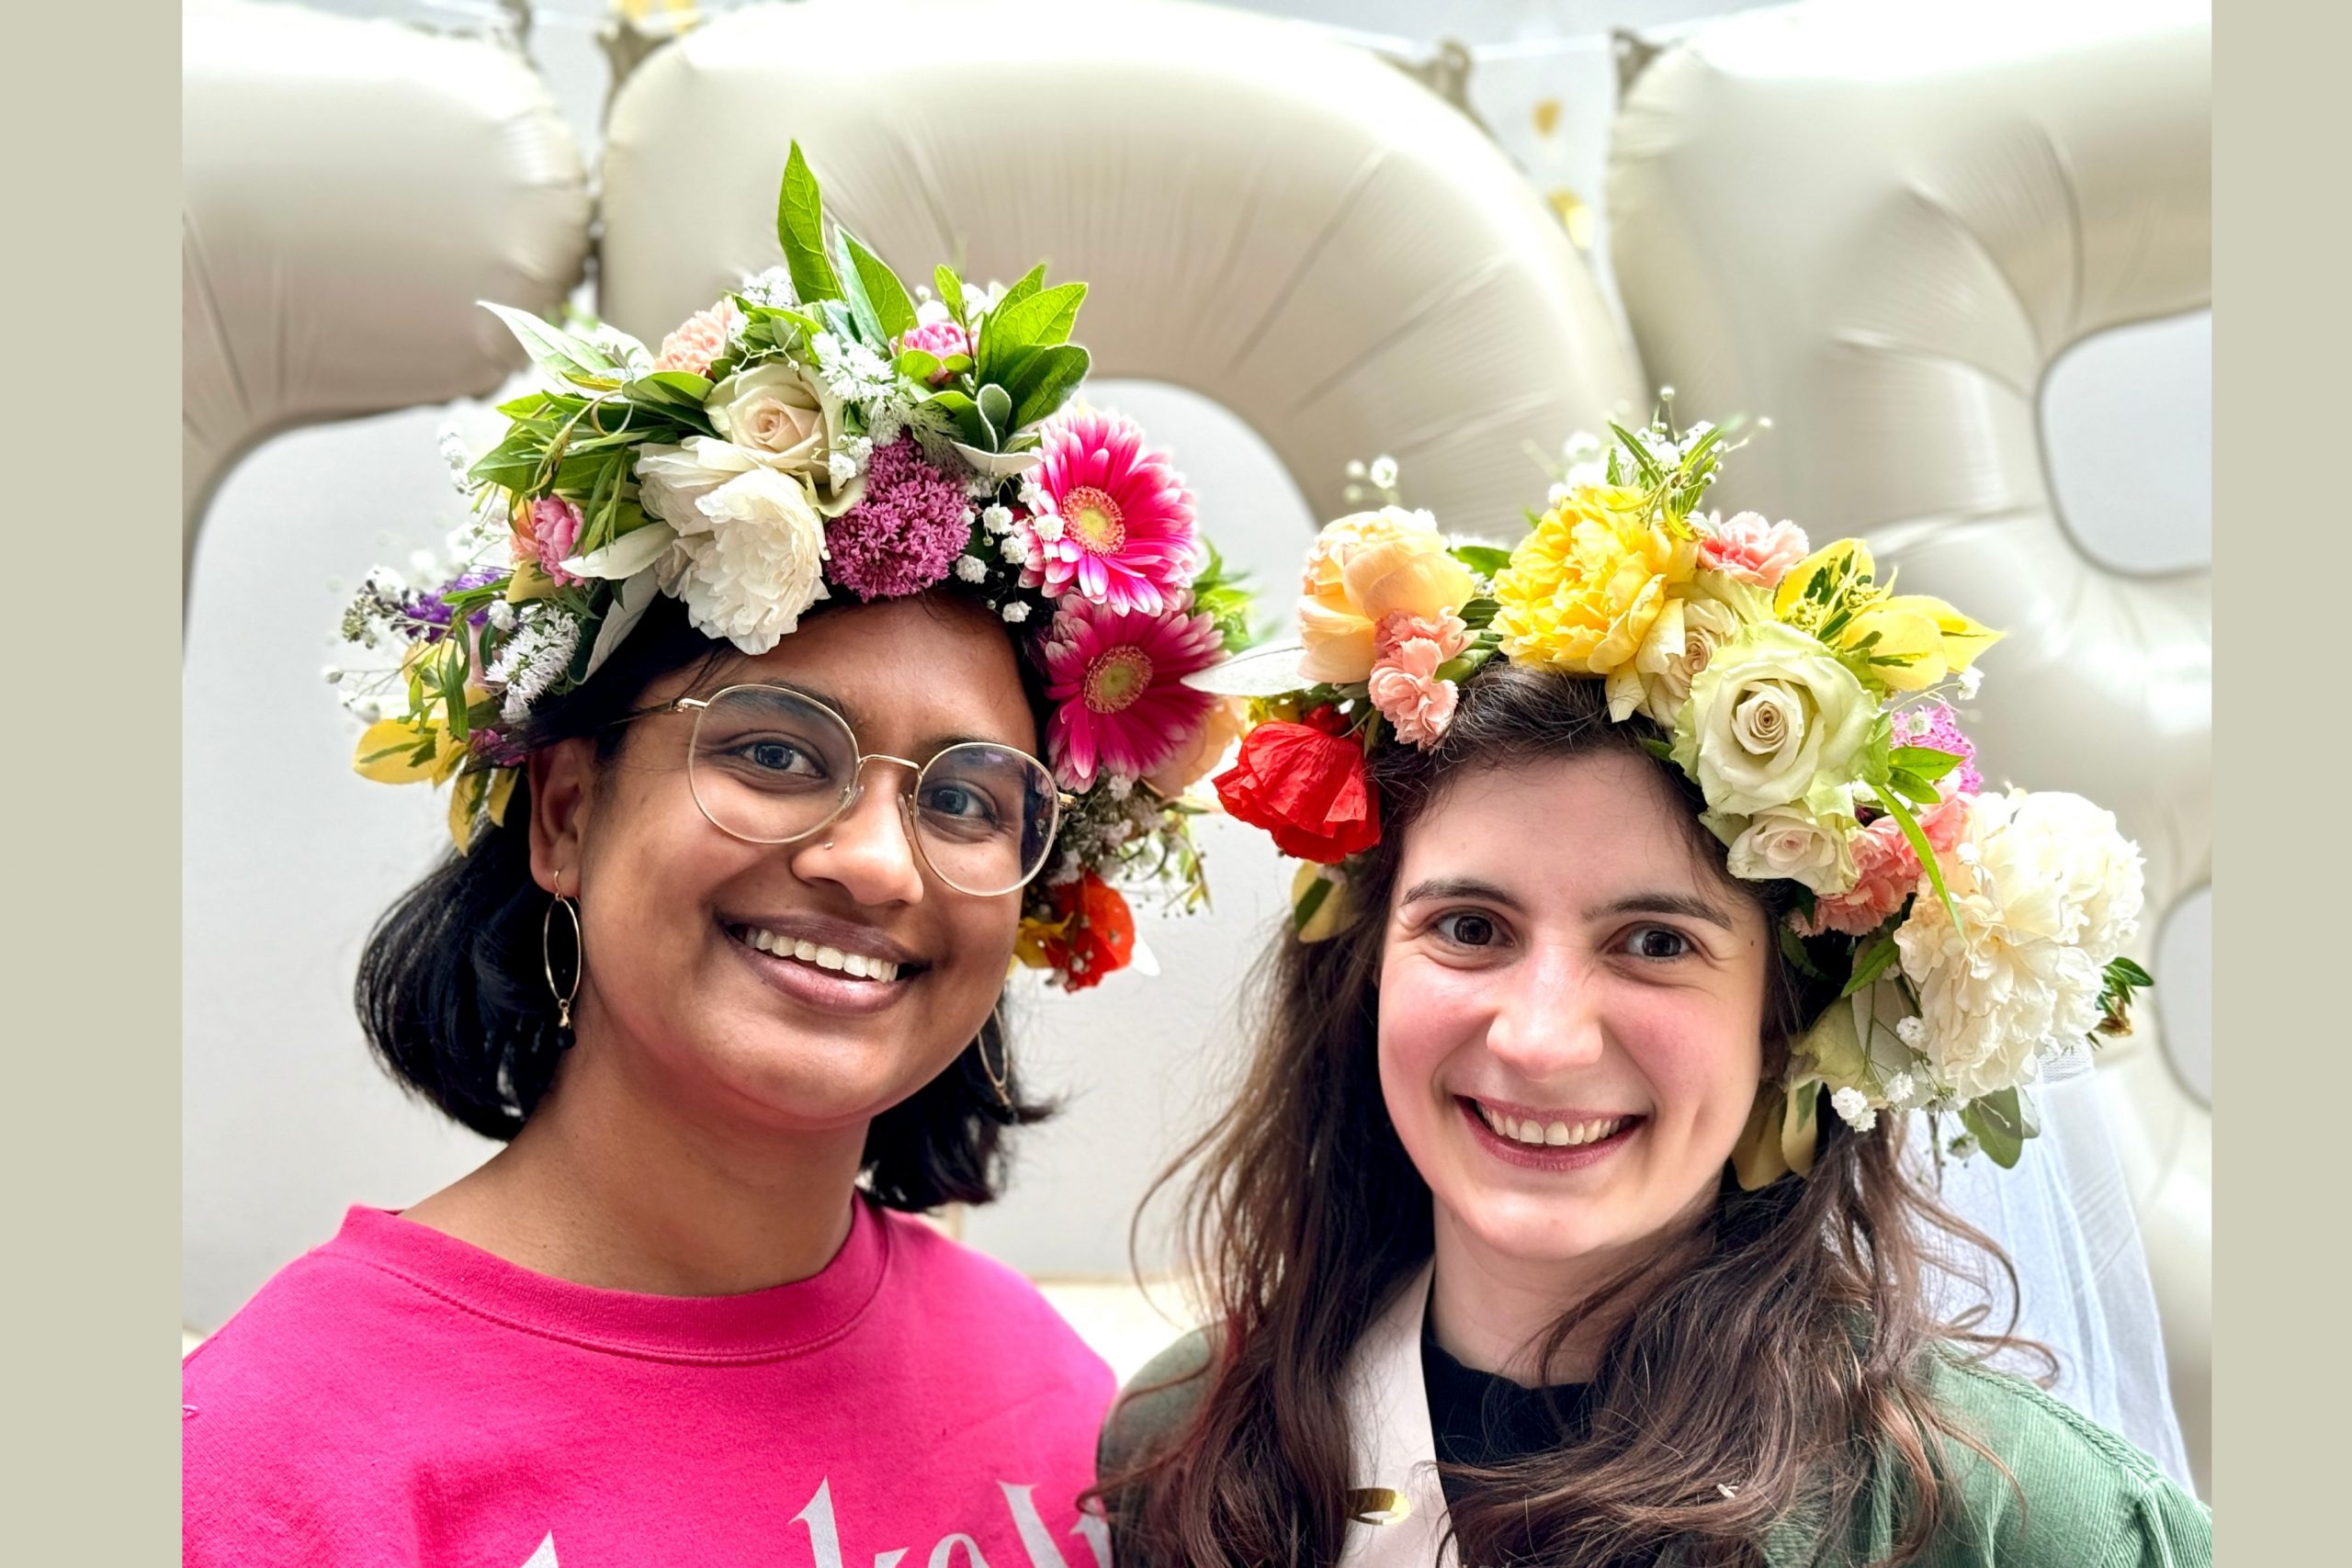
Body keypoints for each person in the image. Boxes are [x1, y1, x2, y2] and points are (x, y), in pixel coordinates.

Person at [183, 147, 1248, 1568]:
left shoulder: (1045, 1382)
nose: (878, 862)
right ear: (564, 811)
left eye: (967, 800)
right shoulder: (266, 1457)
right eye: (772, 752)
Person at [1099, 423, 2209, 1566]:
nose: (1537, 1038)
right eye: (1470, 929)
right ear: (1367, 967)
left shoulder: (2019, 1523)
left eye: (1653, 944)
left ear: (1789, 1027)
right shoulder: (1187, 1452)